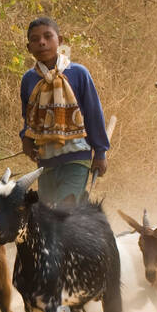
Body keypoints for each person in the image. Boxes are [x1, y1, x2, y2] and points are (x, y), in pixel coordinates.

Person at [19, 16, 111, 208]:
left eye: (47, 36)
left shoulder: (78, 73)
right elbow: (28, 117)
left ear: (59, 41)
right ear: (29, 48)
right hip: (45, 161)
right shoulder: (29, 79)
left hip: (76, 157)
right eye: (35, 40)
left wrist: (100, 153)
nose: (41, 42)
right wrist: (26, 140)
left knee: (64, 211)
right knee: (47, 215)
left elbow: (94, 114)